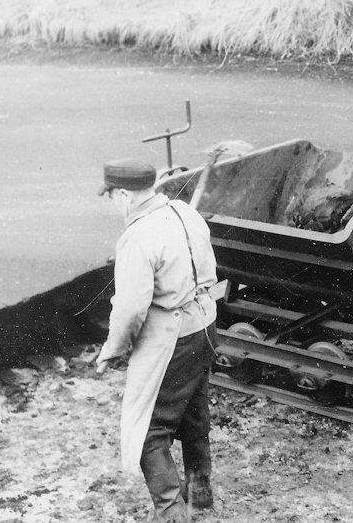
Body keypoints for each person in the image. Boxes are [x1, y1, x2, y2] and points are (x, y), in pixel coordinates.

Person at [94, 158, 218, 522]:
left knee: (149, 428)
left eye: (112, 197)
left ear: (123, 195)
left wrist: (112, 350)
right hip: (206, 324)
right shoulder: (184, 211)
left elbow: (131, 308)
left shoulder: (136, 236)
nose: (114, 205)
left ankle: (171, 513)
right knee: (194, 410)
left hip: (172, 337)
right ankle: (200, 489)